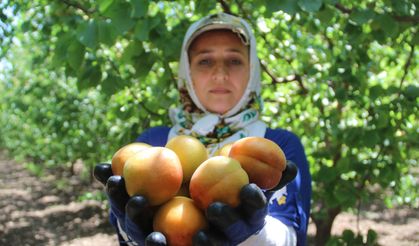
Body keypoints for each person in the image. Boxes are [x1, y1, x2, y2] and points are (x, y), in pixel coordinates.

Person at [94, 12, 311, 246]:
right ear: (187, 72)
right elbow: (127, 224)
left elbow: (292, 235)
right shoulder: (153, 141)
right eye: (205, 61)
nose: (220, 74)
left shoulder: (280, 144)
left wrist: (255, 237)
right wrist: (130, 235)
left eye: (235, 60)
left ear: (252, 70)